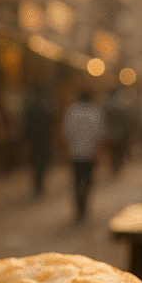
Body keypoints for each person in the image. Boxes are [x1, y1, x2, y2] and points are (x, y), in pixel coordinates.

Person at [61, 89, 105, 223]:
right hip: (90, 153)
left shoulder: (71, 110)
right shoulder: (96, 111)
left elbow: (66, 132)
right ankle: (84, 205)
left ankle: (79, 208)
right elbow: (100, 133)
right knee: (88, 180)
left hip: (75, 153)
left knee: (76, 181)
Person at [22, 85, 54, 196]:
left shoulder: (29, 106)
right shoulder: (45, 105)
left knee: (35, 160)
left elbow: (25, 123)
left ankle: (37, 181)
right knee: (41, 160)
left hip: (33, 138)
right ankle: (39, 181)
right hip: (42, 138)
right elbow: (50, 122)